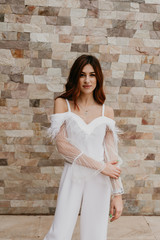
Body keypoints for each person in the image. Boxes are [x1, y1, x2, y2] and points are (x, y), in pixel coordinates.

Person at [44, 54, 124, 240]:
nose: (87, 80)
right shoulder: (63, 104)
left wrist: (117, 194)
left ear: (98, 78)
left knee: (95, 233)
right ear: (75, 77)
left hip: (100, 180)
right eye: (82, 75)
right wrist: (101, 167)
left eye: (92, 75)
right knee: (60, 232)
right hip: (73, 174)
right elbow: (63, 146)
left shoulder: (107, 111)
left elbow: (111, 154)